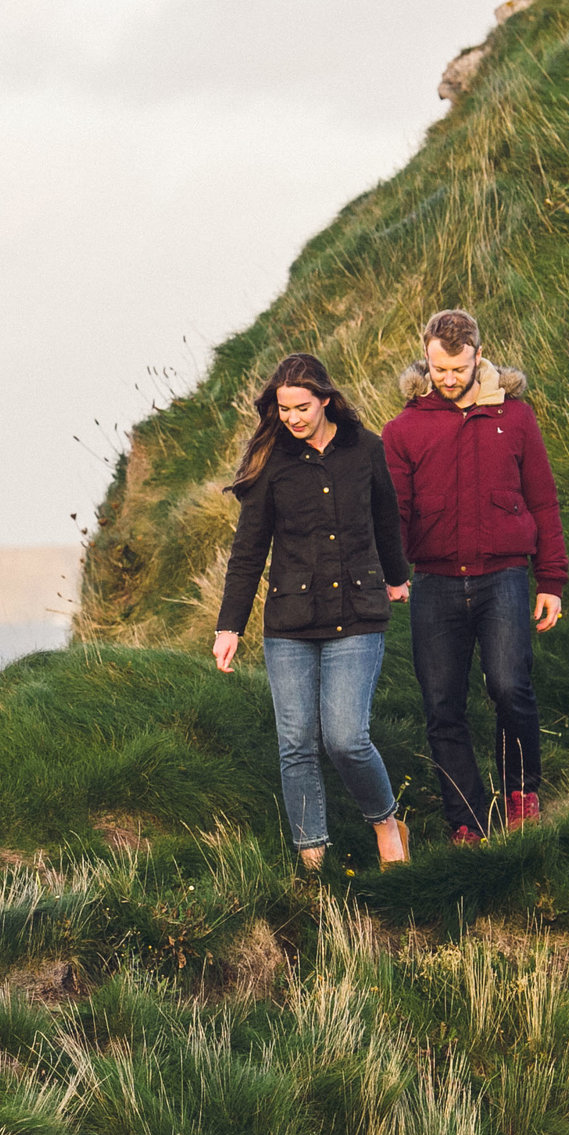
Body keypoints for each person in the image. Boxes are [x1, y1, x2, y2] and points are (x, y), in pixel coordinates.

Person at [212, 354, 414, 873]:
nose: (293, 418)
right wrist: (228, 625)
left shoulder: (365, 449)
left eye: (302, 407)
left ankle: (386, 821)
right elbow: (249, 550)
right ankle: (313, 860)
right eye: (283, 410)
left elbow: (386, 520)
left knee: (346, 738)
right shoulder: (270, 462)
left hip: (358, 612)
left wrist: (396, 578)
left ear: (325, 399)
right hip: (290, 622)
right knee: (296, 743)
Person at [383, 309, 567, 845]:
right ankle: (466, 819)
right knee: (442, 705)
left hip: (503, 577)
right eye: (439, 369)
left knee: (510, 687)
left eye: (458, 368)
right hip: (434, 585)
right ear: (427, 359)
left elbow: (544, 503)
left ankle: (521, 794)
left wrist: (551, 582)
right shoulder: (403, 429)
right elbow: (394, 511)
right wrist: (394, 572)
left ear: (479, 357)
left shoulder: (517, 418)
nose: (448, 378)